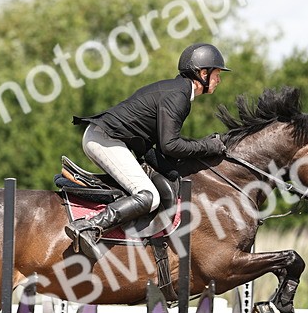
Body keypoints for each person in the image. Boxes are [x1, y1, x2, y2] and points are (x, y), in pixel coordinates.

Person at [66, 42, 230, 254]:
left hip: (107, 137)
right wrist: (209, 146)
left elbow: (161, 145)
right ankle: (88, 226)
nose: (219, 80)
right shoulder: (178, 96)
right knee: (148, 196)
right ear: (203, 73)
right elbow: (170, 145)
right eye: (217, 74)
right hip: (105, 138)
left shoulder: (177, 91)